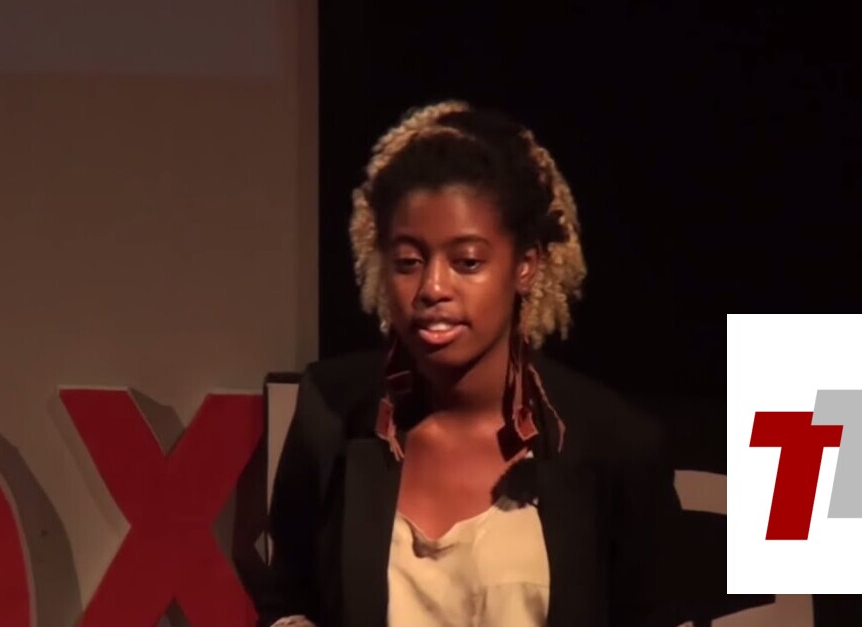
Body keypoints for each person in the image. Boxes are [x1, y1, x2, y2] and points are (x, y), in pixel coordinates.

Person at [256, 100, 688, 626]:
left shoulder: (615, 444)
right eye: (408, 262)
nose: (433, 288)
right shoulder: (332, 412)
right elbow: (286, 599)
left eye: (467, 262)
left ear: (525, 266)